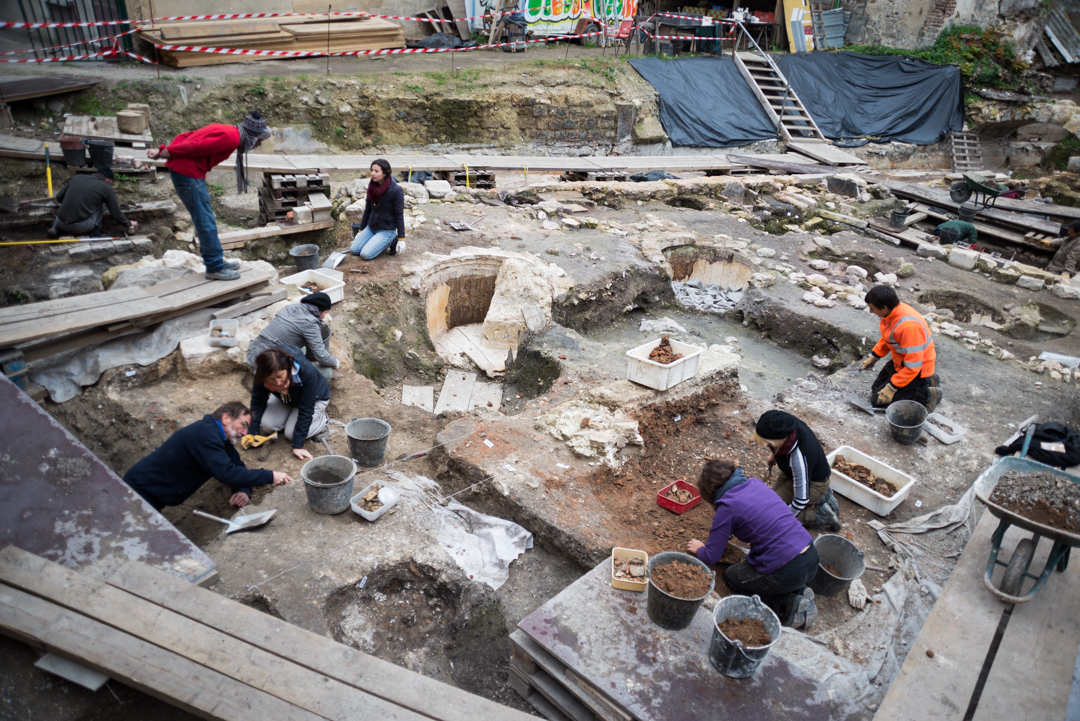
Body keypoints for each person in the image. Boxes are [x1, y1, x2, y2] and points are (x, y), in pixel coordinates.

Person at [687, 459, 819, 630]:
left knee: (732, 577)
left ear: (710, 494)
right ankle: (798, 590)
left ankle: (788, 604)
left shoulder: (727, 506)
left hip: (788, 569)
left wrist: (700, 549)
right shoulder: (755, 483)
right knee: (765, 566)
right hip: (811, 556)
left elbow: (712, 556)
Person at [147, 110, 271, 281]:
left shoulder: (229, 130)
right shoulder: (232, 138)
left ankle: (216, 261)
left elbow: (188, 136)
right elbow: (195, 146)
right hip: (188, 173)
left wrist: (168, 150)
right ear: (252, 135)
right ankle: (214, 267)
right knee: (205, 220)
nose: (257, 145)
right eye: (259, 141)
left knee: (206, 218)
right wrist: (166, 152)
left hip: (186, 171)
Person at [122, 401, 291, 511]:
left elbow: (236, 466)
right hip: (137, 493)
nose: (245, 432)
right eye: (243, 424)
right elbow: (227, 473)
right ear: (226, 418)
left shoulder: (219, 438)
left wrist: (243, 490)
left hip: (152, 497)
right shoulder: (205, 435)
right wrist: (270, 476)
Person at [753, 410, 841, 531]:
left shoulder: (798, 458)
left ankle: (820, 515)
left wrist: (784, 520)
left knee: (771, 515)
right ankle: (822, 496)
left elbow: (800, 501)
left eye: (769, 444)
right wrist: (774, 455)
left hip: (815, 483)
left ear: (780, 439)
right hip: (796, 473)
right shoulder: (787, 424)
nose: (768, 446)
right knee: (768, 502)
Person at [859, 285, 941, 411]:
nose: (871, 311)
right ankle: (929, 381)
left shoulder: (909, 328)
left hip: (917, 368)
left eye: (873, 309)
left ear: (884, 307)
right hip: (902, 360)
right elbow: (889, 338)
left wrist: (892, 388)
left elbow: (913, 366)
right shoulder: (891, 314)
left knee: (879, 401)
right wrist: (874, 356)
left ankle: (929, 394)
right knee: (876, 389)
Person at [248, 345, 331, 461]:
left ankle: (322, 419)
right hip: (285, 398)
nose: (277, 382)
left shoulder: (306, 372)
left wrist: (297, 445)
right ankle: (290, 416)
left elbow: (306, 409)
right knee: (267, 426)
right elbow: (258, 401)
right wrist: (252, 432)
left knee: (291, 434)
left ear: (287, 368)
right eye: (271, 380)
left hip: (315, 398)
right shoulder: (261, 373)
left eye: (280, 376)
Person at [246, 292, 339, 377]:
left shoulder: (289, 308)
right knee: (326, 372)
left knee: (300, 348)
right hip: (267, 368)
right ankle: (292, 391)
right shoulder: (310, 323)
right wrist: (335, 363)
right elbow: (321, 356)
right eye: (325, 313)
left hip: (252, 355)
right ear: (319, 310)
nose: (323, 317)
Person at [48, 167, 138, 238]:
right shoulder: (106, 187)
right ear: (108, 179)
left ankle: (54, 229)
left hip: (60, 223)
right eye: (110, 182)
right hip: (80, 227)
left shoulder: (77, 178)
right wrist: (129, 223)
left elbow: (59, 197)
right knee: (101, 204)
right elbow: (116, 214)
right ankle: (95, 232)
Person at [350, 159, 405, 260]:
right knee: (354, 250)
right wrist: (360, 230)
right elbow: (367, 211)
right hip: (371, 227)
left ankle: (392, 239)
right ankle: (375, 240)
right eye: (372, 170)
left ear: (385, 173)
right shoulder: (371, 188)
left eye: (376, 171)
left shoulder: (396, 190)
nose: (372, 174)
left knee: (365, 255)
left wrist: (401, 238)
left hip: (386, 230)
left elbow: (399, 214)